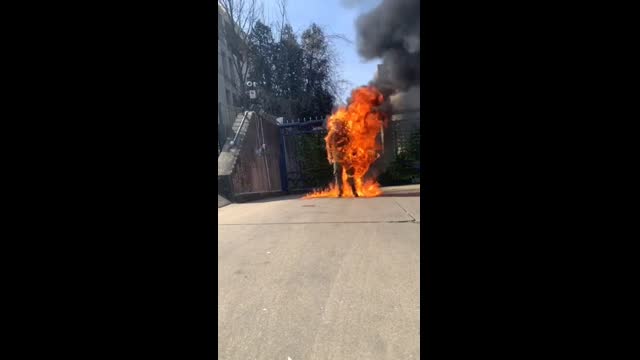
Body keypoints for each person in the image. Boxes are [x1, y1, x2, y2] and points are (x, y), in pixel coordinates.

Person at [326, 121, 358, 197]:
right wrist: (330, 157)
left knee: (350, 174)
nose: (337, 127)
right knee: (337, 174)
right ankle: (340, 191)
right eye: (335, 125)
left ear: (341, 125)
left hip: (347, 158)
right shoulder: (331, 135)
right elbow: (328, 147)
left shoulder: (346, 133)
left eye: (338, 125)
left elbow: (352, 143)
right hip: (337, 158)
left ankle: (354, 190)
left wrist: (354, 152)